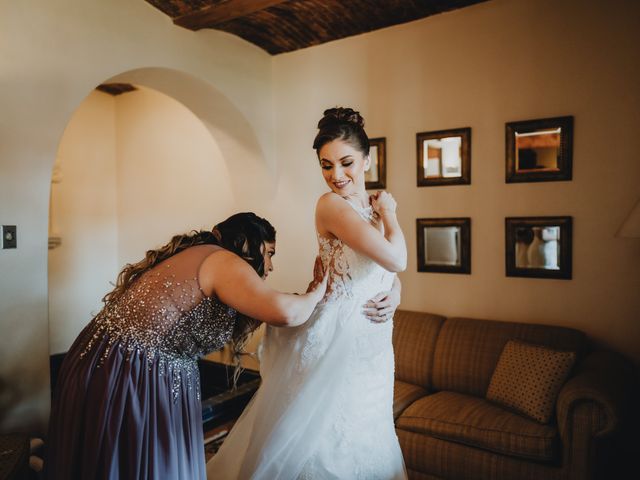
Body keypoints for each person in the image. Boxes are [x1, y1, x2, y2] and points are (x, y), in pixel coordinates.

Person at [44, 212, 327, 480]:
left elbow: (266, 310)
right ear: (247, 245)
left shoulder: (204, 257)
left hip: (113, 358)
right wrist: (318, 291)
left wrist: (306, 299)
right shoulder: (224, 261)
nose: (271, 266)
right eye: (270, 253)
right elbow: (286, 313)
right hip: (130, 369)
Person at [207, 107, 408, 479]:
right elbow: (398, 258)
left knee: (368, 430)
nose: (337, 175)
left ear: (367, 159)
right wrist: (392, 213)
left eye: (346, 163)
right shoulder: (331, 206)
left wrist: (396, 294)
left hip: (373, 345)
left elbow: (383, 272)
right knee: (325, 440)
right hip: (339, 337)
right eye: (326, 165)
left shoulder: (369, 209)